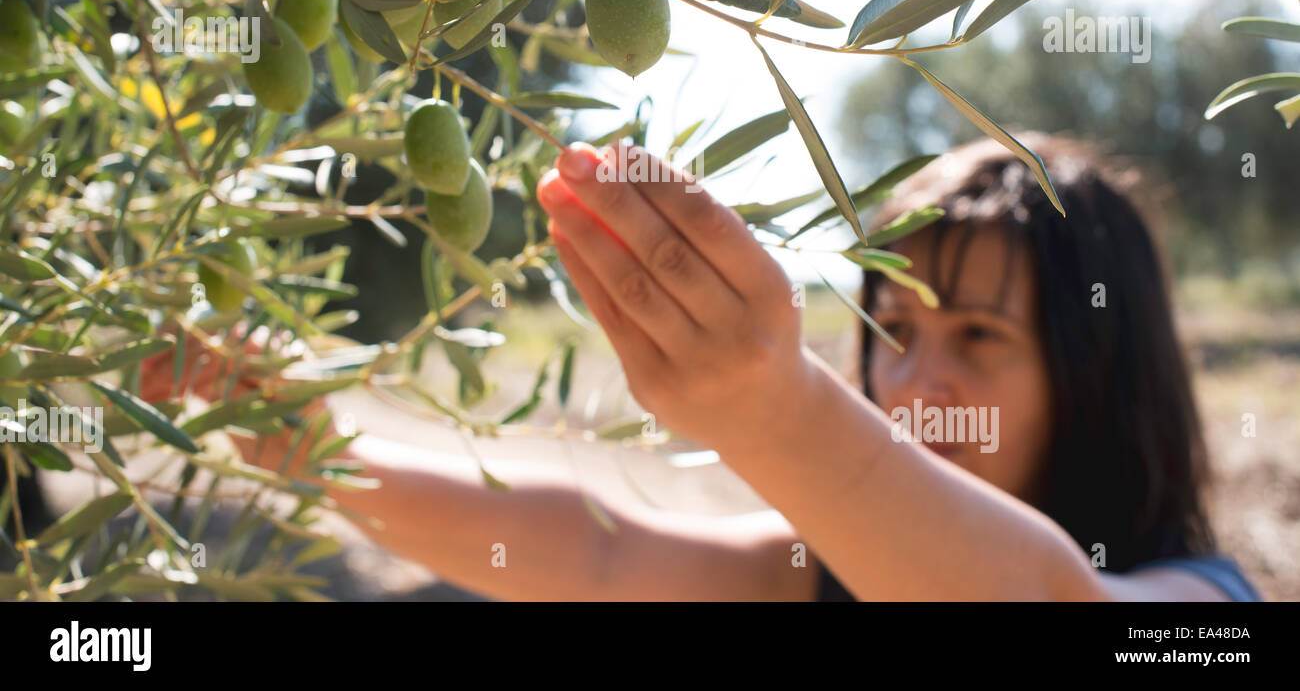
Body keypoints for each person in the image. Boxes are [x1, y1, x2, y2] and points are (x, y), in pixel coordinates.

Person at [138, 132, 1261, 601]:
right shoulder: (824, 576)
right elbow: (594, 551)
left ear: (1102, 373)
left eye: (979, 338)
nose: (915, 389)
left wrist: (778, 416)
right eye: (890, 334)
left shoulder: (1203, 608)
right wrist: (301, 439)